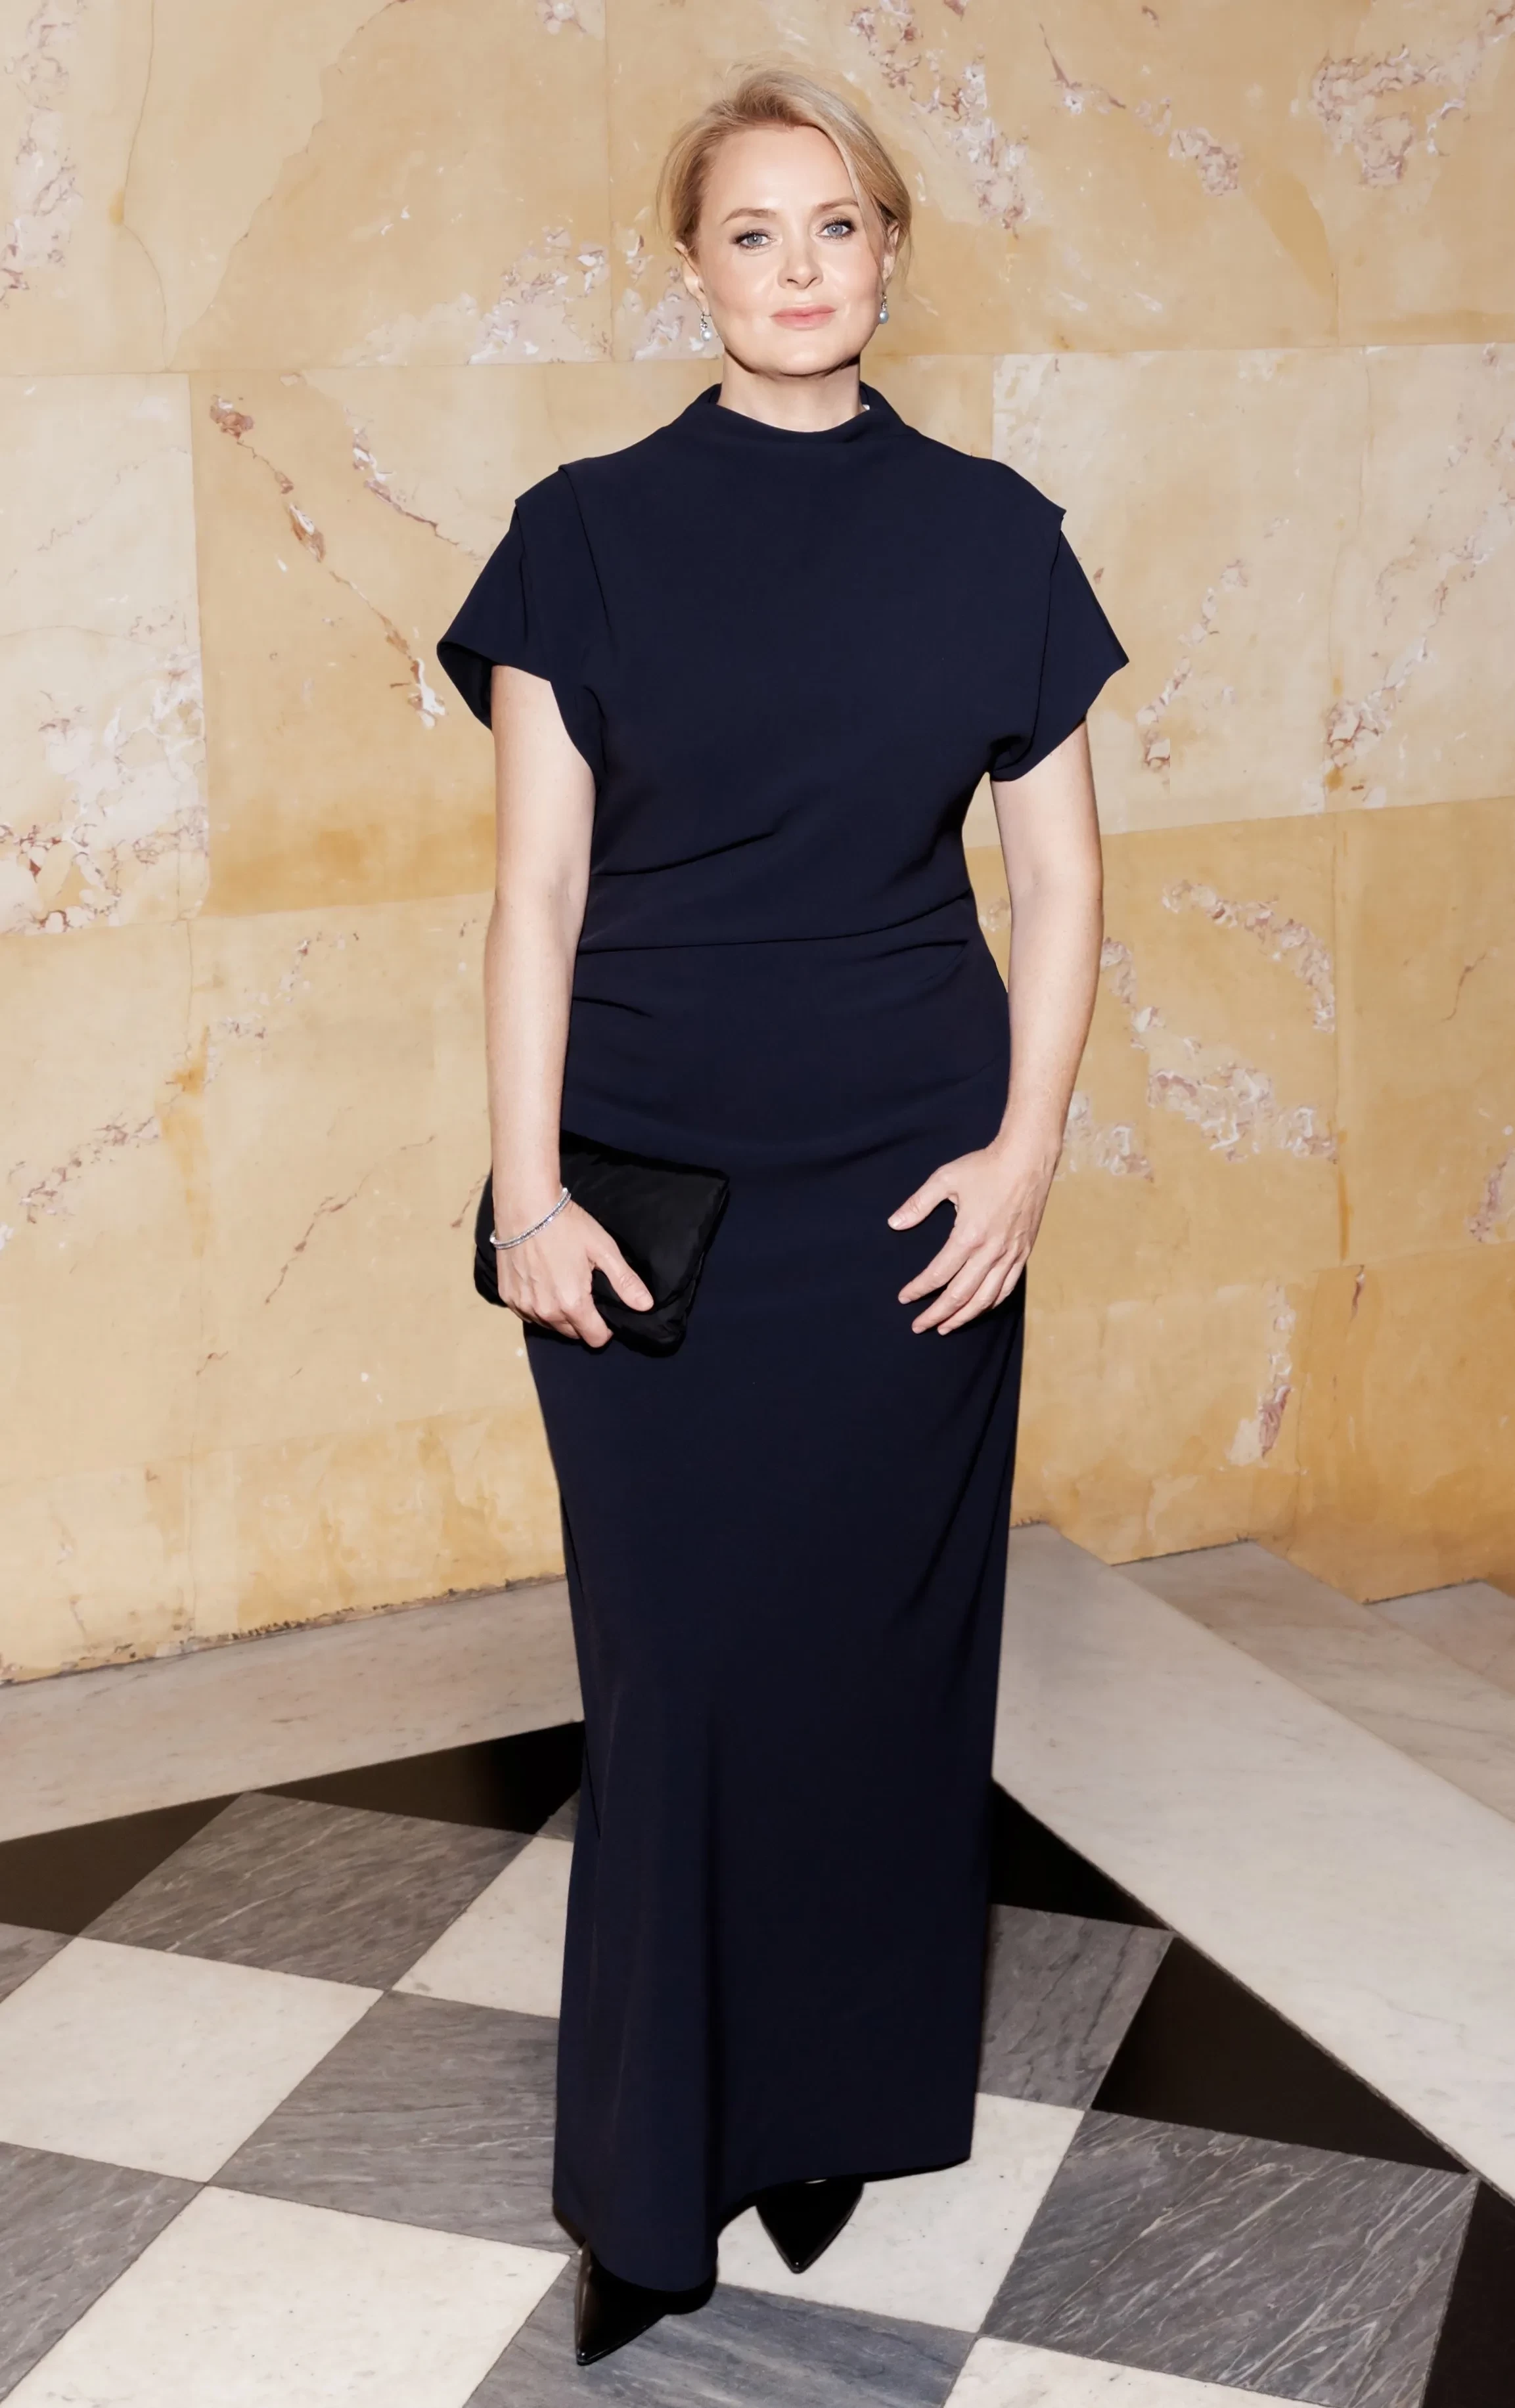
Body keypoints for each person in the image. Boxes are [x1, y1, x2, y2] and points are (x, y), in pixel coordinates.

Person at [436, 66, 1125, 2368]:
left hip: (914, 1187)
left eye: (838, 225)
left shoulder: (998, 537)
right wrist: (526, 1194)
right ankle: (651, 2189)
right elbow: (535, 899)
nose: (801, 266)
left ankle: (828, 2109)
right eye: (755, 230)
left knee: (881, 1668)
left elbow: (1060, 879)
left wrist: (1027, 1151)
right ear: (692, 264)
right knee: (682, 1678)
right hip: (650, 1197)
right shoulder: (580, 538)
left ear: (891, 253)